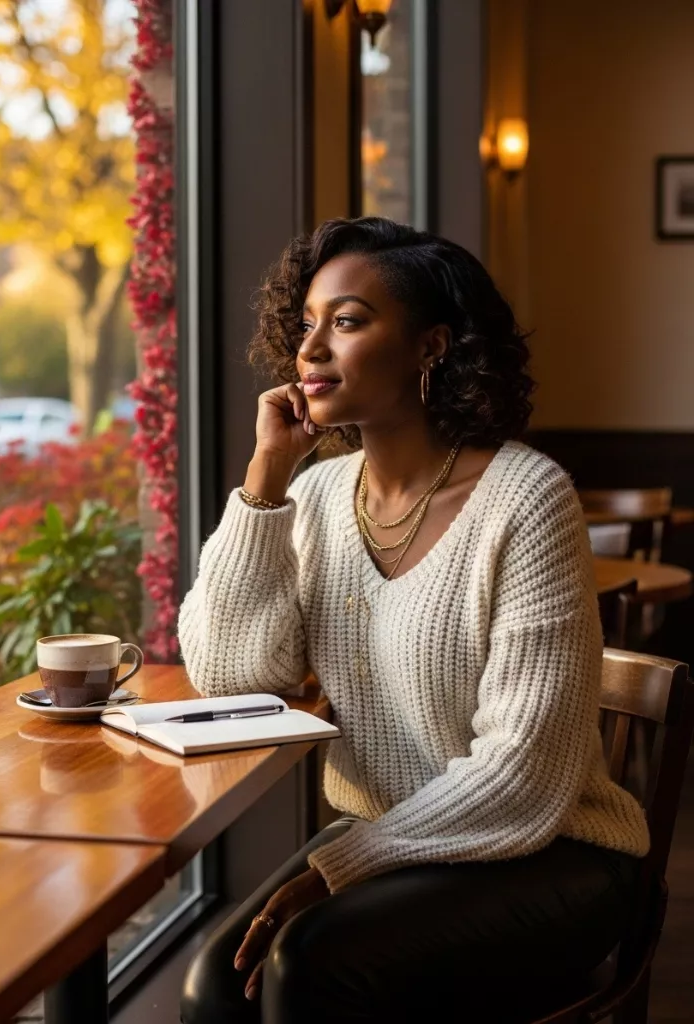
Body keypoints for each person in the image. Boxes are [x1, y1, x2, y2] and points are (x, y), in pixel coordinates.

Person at [177, 217, 650, 1024]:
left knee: (309, 967)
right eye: (308, 325)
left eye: (349, 321)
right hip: (399, 843)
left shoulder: (527, 500)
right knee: (216, 987)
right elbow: (230, 673)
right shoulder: (320, 495)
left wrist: (342, 865)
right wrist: (266, 477)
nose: (312, 349)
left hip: (552, 853)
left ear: (431, 348)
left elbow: (522, 774)